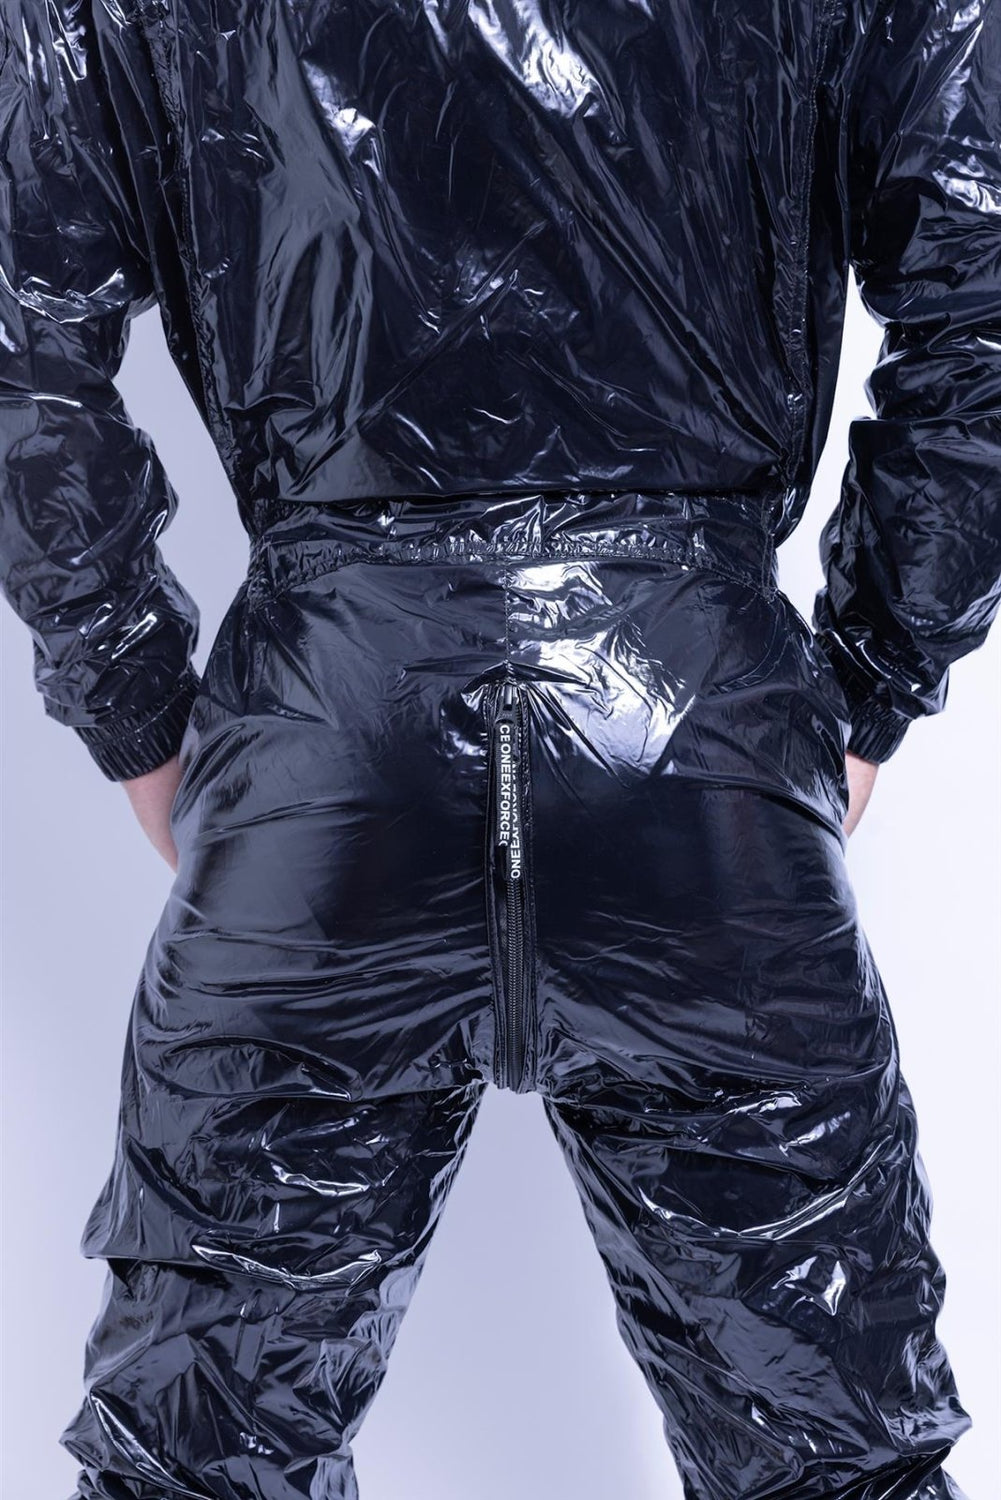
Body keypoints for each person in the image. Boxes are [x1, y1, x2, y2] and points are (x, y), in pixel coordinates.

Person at [1, 0, 998, 1496]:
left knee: (203, 1460)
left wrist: (139, 708)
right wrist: (867, 676)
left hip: (330, 747)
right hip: (693, 728)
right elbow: (982, 291)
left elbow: (24, 329)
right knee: (833, 1455)